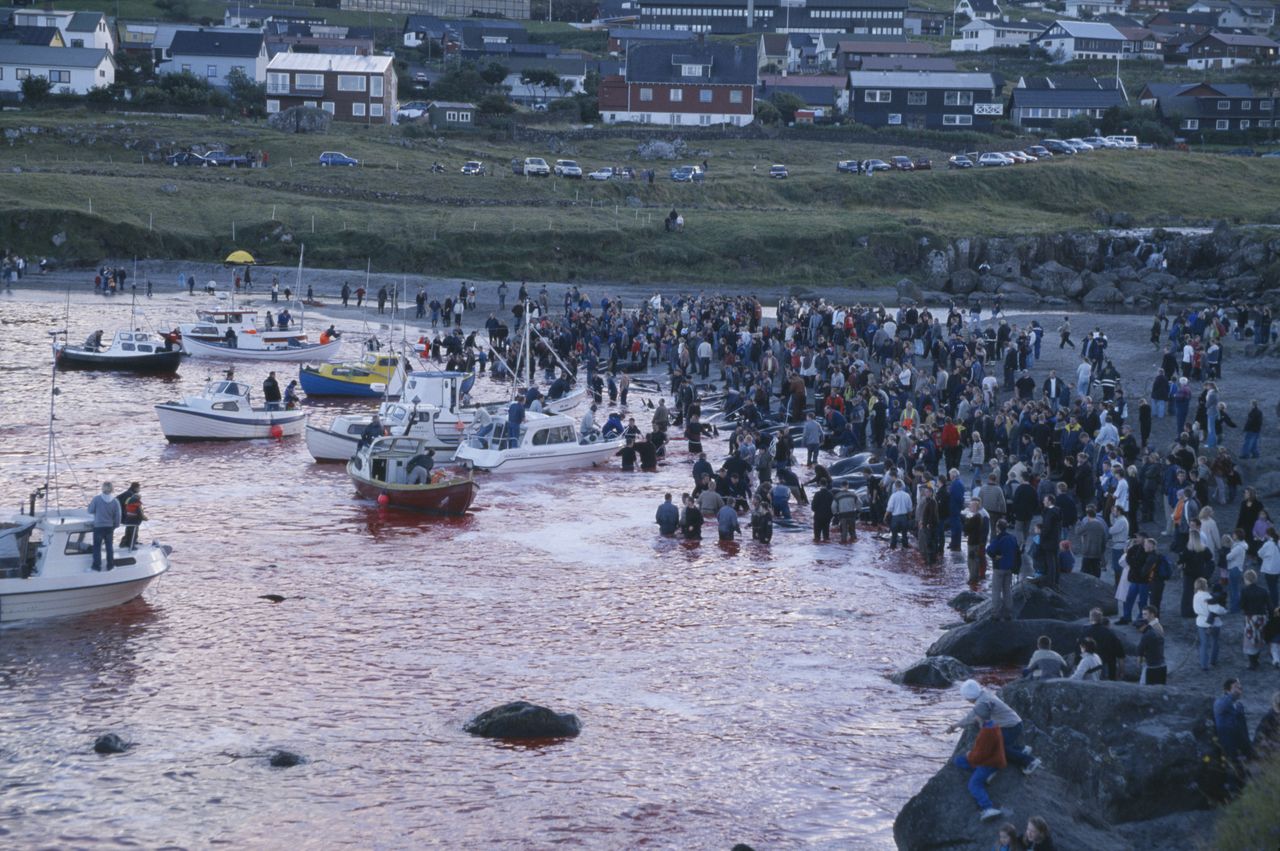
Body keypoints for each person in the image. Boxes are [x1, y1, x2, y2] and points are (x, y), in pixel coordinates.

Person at [952, 680, 1041, 775]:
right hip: (1014, 723)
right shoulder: (984, 694)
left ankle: (1030, 762)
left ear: (969, 697)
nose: (966, 700)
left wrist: (954, 726)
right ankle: (1021, 749)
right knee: (1000, 743)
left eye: (966, 697)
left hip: (1010, 727)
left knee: (998, 748)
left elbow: (971, 717)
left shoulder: (982, 703)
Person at [953, 705, 1007, 822]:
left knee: (974, 785)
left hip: (990, 762)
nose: (974, 717)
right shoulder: (993, 724)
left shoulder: (987, 733)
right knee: (957, 761)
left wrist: (969, 755)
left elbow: (979, 756)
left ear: (980, 717)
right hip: (991, 758)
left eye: (976, 715)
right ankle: (986, 775)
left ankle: (988, 807)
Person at [1214, 678, 1254, 789]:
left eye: (1240, 686)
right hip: (1228, 742)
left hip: (1242, 741)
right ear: (1227, 690)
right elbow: (1223, 706)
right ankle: (1233, 793)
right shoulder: (1220, 702)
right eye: (1236, 686)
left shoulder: (1239, 705)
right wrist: (1233, 694)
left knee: (1245, 767)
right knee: (1232, 767)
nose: (1240, 688)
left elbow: (1243, 725)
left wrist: (1248, 742)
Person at [986, 519, 1020, 620]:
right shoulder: (1012, 538)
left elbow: (989, 550)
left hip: (999, 567)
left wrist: (995, 556)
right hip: (1009, 568)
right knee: (1007, 590)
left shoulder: (999, 538)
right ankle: (1008, 613)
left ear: (998, 527)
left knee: (996, 591)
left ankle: (995, 614)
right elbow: (1017, 552)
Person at [1082, 608, 1125, 680]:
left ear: (1090, 618)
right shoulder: (1110, 634)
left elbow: (1079, 652)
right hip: (1108, 668)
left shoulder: (1085, 633)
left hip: (1090, 667)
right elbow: (1120, 656)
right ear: (1101, 618)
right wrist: (1121, 671)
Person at [88, 482, 121, 572]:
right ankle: (110, 566)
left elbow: (90, 511)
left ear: (103, 488)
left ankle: (96, 567)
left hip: (98, 527)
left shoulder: (96, 499)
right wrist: (115, 526)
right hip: (109, 527)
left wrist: (90, 506)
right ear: (112, 489)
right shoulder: (115, 501)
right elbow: (118, 516)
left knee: (97, 547)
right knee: (109, 547)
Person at [1136, 606, 1167, 684]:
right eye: (1143, 614)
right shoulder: (1153, 626)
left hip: (1153, 661)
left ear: (1152, 614)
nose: (1143, 617)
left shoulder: (1155, 628)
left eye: (1145, 614)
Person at [885, 480, 913, 550]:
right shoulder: (907, 495)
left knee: (894, 535)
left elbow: (889, 508)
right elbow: (910, 508)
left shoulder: (893, 496)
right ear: (902, 486)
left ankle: (893, 548)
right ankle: (905, 548)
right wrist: (909, 517)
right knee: (904, 534)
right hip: (904, 517)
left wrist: (885, 516)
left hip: (895, 518)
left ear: (895, 486)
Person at [118, 482, 145, 549]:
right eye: (139, 488)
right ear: (136, 488)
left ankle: (131, 541)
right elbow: (129, 505)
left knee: (131, 527)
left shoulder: (129, 493)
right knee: (133, 527)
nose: (140, 489)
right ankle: (129, 542)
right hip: (124, 513)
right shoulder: (130, 494)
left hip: (124, 513)